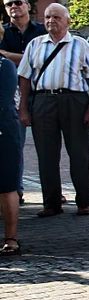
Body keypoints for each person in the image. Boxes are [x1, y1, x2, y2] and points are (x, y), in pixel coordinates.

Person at [17, 3, 89, 217]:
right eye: (47, 17)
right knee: (46, 154)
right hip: (43, 101)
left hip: (74, 101)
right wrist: (24, 108)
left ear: (68, 21)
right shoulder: (35, 45)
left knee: (78, 153)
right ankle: (51, 203)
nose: (50, 21)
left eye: (56, 17)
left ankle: (84, 202)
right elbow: (25, 78)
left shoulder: (80, 45)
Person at [2, 0, 46, 202]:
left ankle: (51, 192)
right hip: (14, 96)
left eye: (18, 2)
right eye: (9, 4)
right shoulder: (3, 32)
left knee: (48, 145)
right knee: (14, 144)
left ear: (28, 5)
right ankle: (16, 189)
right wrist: (31, 57)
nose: (14, 6)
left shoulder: (42, 31)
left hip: (42, 93)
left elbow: (42, 60)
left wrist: (12, 57)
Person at [0, 55, 20, 255]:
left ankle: (11, 237)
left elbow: (4, 101)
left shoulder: (4, 65)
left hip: (3, 130)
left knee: (6, 185)